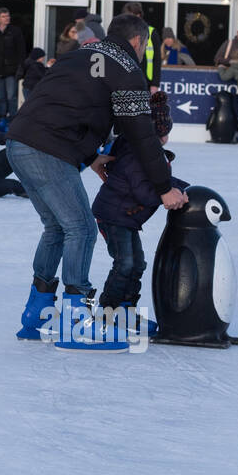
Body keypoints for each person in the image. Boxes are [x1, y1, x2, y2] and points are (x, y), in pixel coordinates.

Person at [6, 14, 187, 350]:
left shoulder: (78, 55)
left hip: (19, 143)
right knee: (82, 229)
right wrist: (164, 188)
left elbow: (64, 107)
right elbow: (142, 136)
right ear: (137, 42)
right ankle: (75, 321)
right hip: (48, 149)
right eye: (145, 44)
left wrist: (90, 158)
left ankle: (37, 313)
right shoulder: (128, 69)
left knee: (57, 227)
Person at [91, 91, 189, 334]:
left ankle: (125, 311)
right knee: (125, 263)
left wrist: (183, 187)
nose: (166, 138)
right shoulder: (137, 152)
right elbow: (145, 192)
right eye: (163, 133)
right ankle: (105, 315)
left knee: (138, 264)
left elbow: (161, 179)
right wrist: (171, 195)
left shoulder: (148, 150)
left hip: (127, 215)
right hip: (114, 215)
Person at [0, 6, 26, 127]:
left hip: (12, 71)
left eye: (8, 16)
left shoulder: (15, 31)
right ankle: (2, 119)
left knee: (11, 97)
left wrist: (20, 69)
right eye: (4, 16)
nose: (7, 18)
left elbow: (22, 52)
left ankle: (12, 120)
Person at [122, 2, 164, 92]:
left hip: (146, 81)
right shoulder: (122, 33)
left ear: (138, 15)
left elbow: (157, 60)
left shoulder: (151, 32)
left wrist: (155, 84)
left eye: (131, 15)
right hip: (126, 81)